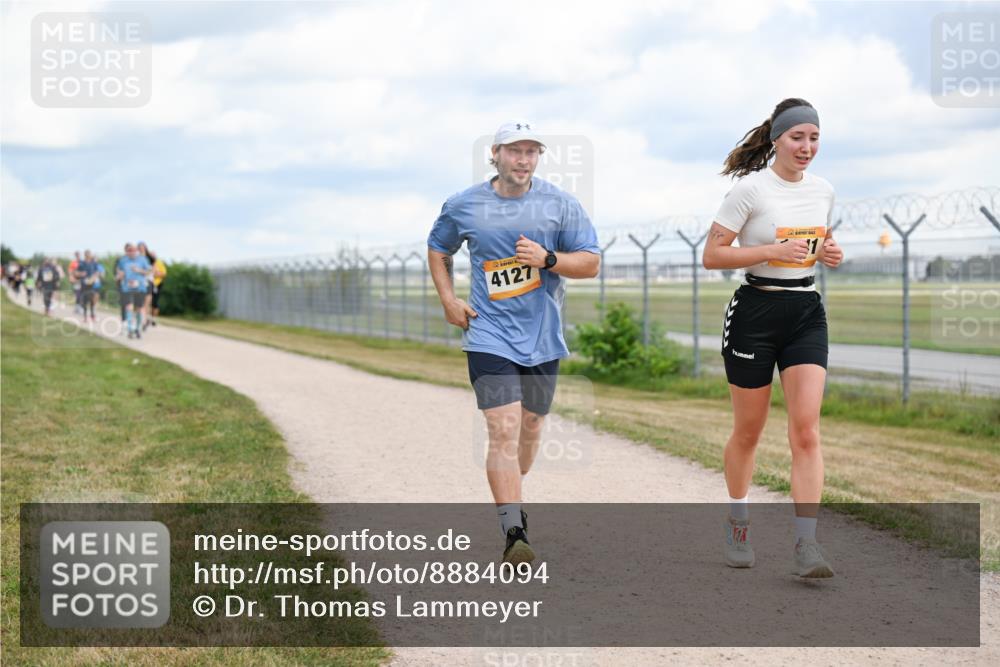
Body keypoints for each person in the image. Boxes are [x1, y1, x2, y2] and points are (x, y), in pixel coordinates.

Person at [427, 121, 600, 564]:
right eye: (514, 151)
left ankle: (513, 497)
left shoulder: (560, 204)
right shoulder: (464, 205)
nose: (523, 160)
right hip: (488, 333)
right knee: (502, 427)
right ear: (495, 154)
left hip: (542, 337)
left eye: (531, 151)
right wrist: (449, 299)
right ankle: (513, 532)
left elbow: (590, 262)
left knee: (530, 428)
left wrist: (548, 258)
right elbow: (439, 247)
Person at [702, 98, 844, 578]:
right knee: (749, 431)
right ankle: (738, 522)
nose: (807, 147)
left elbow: (815, 244)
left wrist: (829, 252)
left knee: (806, 431)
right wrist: (771, 250)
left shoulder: (823, 190)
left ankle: (807, 544)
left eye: (814, 138)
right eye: (797, 137)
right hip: (755, 313)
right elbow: (712, 256)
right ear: (777, 139)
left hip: (805, 311)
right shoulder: (750, 190)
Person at [116, 243, 152, 338]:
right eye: (129, 250)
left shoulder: (143, 260)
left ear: (136, 251)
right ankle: (130, 329)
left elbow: (149, 271)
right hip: (127, 288)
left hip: (140, 288)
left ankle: (138, 328)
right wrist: (120, 275)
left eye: (133, 250)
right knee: (129, 307)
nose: (131, 252)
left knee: (139, 309)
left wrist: (139, 270)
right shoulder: (123, 260)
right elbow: (119, 271)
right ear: (126, 252)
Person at [74, 250, 99, 322]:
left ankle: (92, 316)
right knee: (84, 301)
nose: (88, 256)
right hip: (84, 284)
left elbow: (97, 272)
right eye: (87, 255)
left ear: (90, 255)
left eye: (89, 254)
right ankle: (85, 317)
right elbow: (76, 272)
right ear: (85, 255)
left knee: (92, 300)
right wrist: (81, 274)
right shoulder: (82, 263)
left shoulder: (94, 263)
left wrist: (94, 277)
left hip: (91, 284)